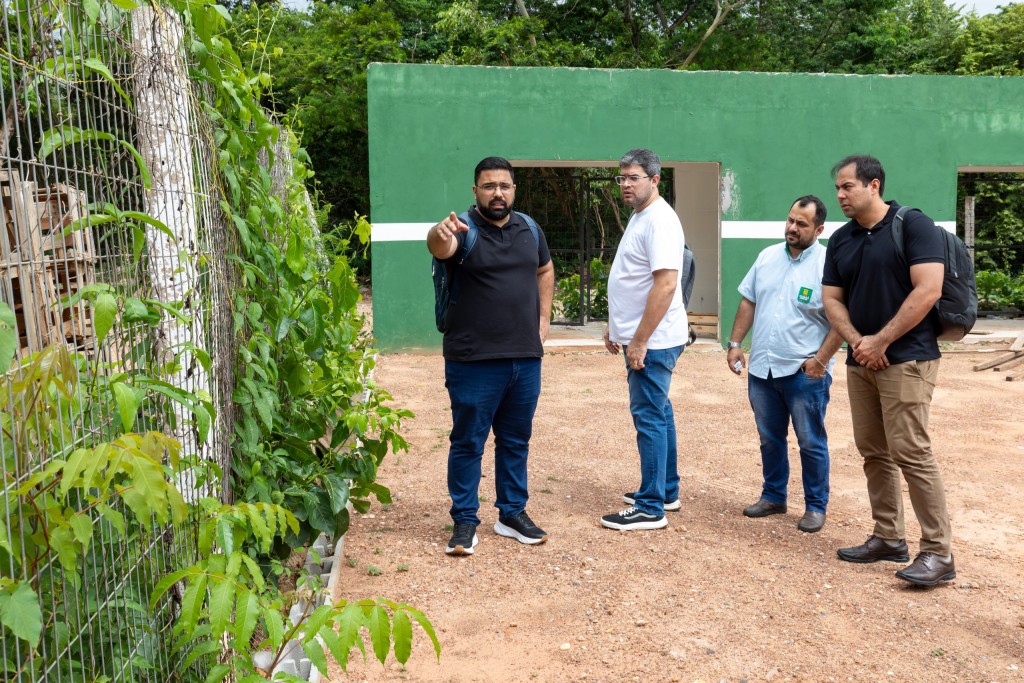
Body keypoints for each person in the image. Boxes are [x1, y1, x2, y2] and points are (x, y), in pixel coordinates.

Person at [822, 154, 956, 586]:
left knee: (911, 452)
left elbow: (928, 290)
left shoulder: (913, 225)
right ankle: (888, 537)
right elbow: (831, 300)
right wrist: (859, 342)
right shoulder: (841, 239)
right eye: (838, 188)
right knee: (874, 452)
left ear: (874, 185)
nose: (840, 195)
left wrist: (880, 340)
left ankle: (938, 553)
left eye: (848, 186)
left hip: (908, 358)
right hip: (861, 361)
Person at [426, 156, 555, 556]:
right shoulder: (463, 230)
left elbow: (545, 270)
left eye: (504, 186)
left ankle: (511, 513)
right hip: (472, 361)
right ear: (476, 190)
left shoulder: (530, 229)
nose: (497, 193)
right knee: (468, 442)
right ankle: (465, 520)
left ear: (514, 189)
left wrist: (544, 317)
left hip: (525, 359)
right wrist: (438, 231)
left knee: (516, 441)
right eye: (489, 186)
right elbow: (440, 246)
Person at [726, 196, 843, 534]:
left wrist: (821, 360)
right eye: (790, 220)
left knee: (810, 441)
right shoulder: (767, 257)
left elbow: (841, 320)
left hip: (805, 373)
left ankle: (815, 506)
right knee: (769, 438)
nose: (792, 227)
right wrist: (735, 344)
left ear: (819, 229)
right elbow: (749, 300)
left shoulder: (829, 265)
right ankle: (774, 496)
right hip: (763, 369)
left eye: (801, 224)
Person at [601, 148, 689, 531]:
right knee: (659, 410)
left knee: (649, 416)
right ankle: (665, 491)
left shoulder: (660, 220)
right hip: (646, 336)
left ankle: (650, 507)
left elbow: (665, 285)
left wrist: (638, 341)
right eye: (621, 178)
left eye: (633, 178)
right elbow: (633, 279)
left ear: (654, 180)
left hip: (654, 341)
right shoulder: (642, 215)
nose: (625, 184)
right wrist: (616, 326)